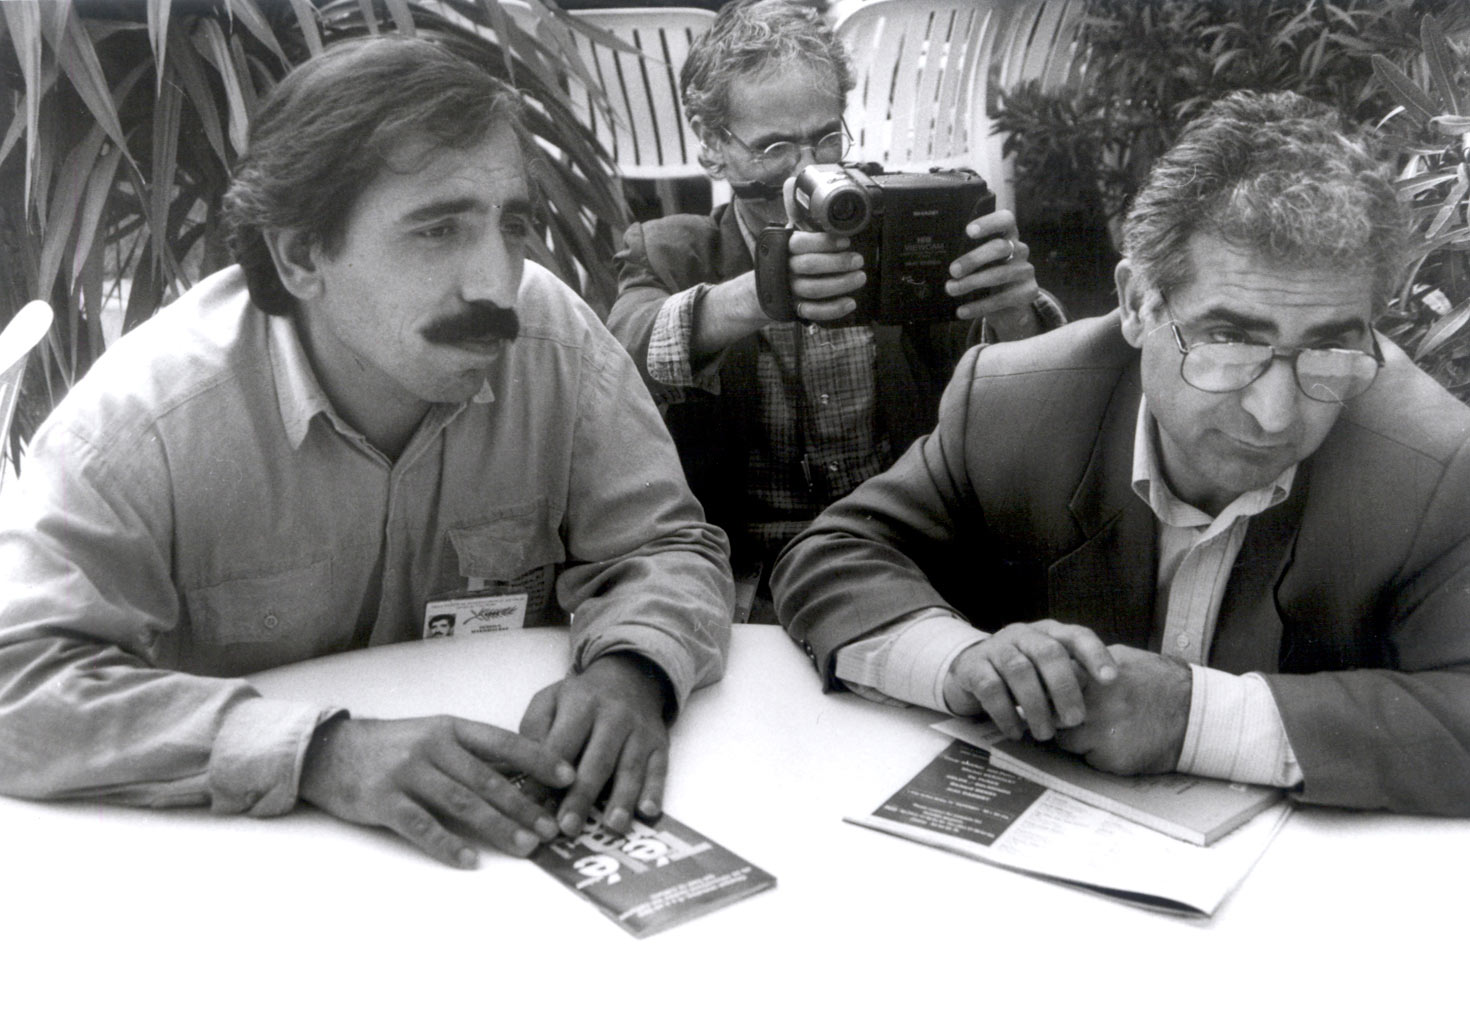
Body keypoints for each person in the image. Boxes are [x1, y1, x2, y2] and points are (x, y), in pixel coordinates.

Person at [0, 36, 734, 868]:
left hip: (498, 864)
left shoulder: (553, 343)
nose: (497, 284)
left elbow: (664, 545)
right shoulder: (147, 423)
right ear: (300, 255)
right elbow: (17, 679)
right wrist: (321, 753)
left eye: (512, 224)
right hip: (233, 864)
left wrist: (632, 669)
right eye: (437, 229)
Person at [771, 90, 1470, 814]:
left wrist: (1193, 717)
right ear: (1137, 305)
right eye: (1229, 341)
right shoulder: (1012, 400)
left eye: (1328, 349)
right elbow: (834, 553)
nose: (1275, 414)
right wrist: (964, 661)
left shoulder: (1443, 463)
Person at [606, 0, 1064, 618]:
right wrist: (758, 295)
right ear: (713, 148)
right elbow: (619, 360)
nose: (807, 171)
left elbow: (1026, 396)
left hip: (899, 557)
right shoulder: (670, 251)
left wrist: (1014, 316)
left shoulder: (897, 222)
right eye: (774, 147)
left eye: (825, 138)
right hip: (743, 581)